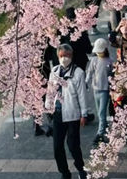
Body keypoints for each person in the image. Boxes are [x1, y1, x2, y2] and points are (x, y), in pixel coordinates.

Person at [45, 44, 88, 179]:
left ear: (71, 56)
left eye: (67, 56)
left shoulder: (78, 73)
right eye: (62, 56)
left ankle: (81, 168)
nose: (64, 59)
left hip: (72, 113)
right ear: (58, 56)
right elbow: (50, 91)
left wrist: (84, 114)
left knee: (73, 145)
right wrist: (48, 107)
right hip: (58, 113)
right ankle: (64, 172)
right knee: (57, 146)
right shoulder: (54, 71)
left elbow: (82, 95)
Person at [86, 37, 113, 144]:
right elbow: (89, 72)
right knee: (99, 112)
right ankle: (104, 128)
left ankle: (100, 133)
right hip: (96, 89)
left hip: (105, 90)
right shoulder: (94, 60)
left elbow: (113, 74)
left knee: (102, 113)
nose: (98, 53)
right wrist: (86, 82)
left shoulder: (109, 61)